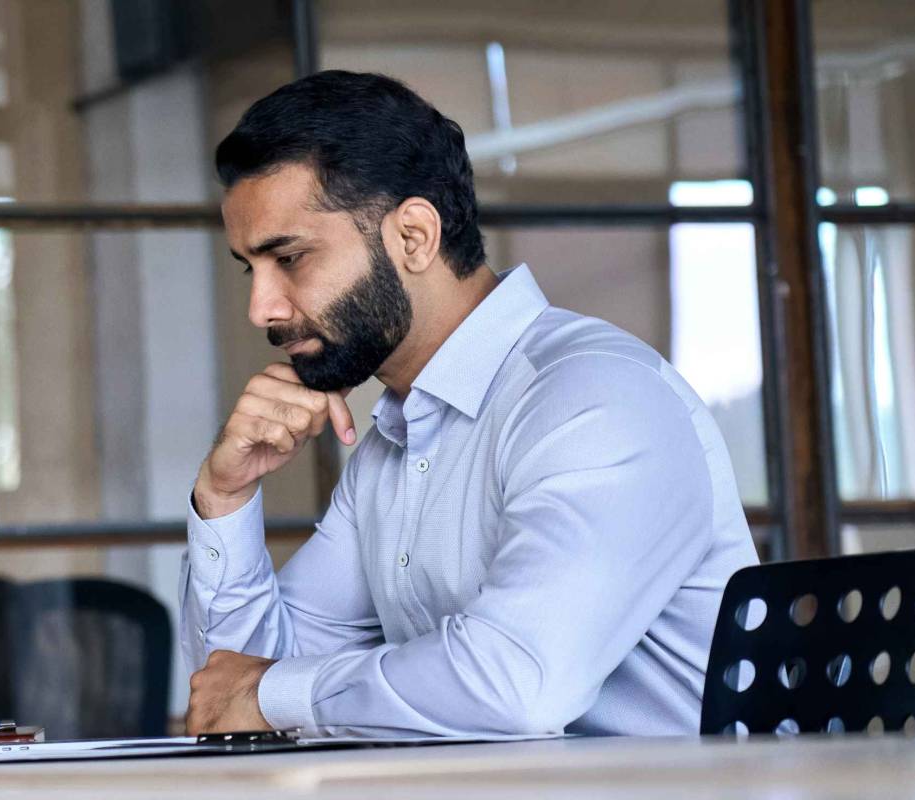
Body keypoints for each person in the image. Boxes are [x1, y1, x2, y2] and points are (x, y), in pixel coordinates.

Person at [180, 70, 758, 738]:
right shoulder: (392, 447)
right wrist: (225, 498)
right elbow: (237, 692)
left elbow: (516, 686)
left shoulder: (595, 401)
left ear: (415, 237)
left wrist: (270, 693)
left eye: (291, 258)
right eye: (251, 269)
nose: (262, 309)